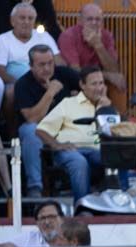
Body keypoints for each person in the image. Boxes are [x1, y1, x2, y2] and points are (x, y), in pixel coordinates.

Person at [12, 44, 77, 199]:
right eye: (41, 65)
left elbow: (89, 84)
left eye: (50, 63)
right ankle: (35, 187)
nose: (47, 68)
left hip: (66, 129)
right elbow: (32, 118)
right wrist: (50, 93)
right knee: (30, 130)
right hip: (37, 133)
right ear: (31, 66)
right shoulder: (23, 84)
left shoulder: (65, 74)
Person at [35, 65, 106, 202]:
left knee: (115, 158)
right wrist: (56, 145)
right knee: (78, 161)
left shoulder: (107, 106)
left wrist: (106, 109)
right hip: (71, 151)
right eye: (94, 84)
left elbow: (116, 134)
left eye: (101, 83)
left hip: (98, 151)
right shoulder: (68, 103)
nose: (99, 88)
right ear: (82, 85)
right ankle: (83, 206)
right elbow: (41, 130)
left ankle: (120, 201)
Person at [0, 1, 60, 107]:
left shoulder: (44, 36)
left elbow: (59, 61)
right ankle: (12, 124)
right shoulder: (3, 39)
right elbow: (0, 70)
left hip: (45, 79)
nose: (26, 22)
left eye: (30, 18)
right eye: (22, 18)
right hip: (16, 82)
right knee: (10, 93)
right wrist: (21, 84)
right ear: (12, 21)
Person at [57, 3, 123, 92]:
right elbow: (75, 72)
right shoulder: (68, 36)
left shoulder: (106, 35)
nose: (94, 23)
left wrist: (98, 46)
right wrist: (107, 75)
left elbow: (114, 70)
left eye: (98, 19)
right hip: (73, 85)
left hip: (98, 85)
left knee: (120, 81)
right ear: (79, 21)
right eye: (89, 19)